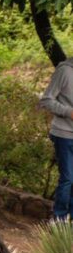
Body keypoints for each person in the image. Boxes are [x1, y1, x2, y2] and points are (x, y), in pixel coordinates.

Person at [39, 58, 73, 220]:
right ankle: (58, 219)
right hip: (64, 134)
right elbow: (46, 100)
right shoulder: (65, 71)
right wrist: (69, 112)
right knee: (68, 179)